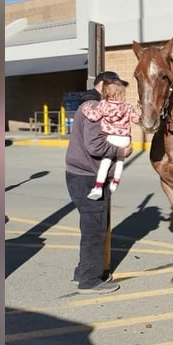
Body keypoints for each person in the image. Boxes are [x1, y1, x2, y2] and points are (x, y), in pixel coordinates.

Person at [65, 79, 133, 294]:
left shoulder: (88, 106)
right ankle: (89, 280)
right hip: (88, 177)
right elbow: (95, 146)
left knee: (90, 227)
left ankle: (83, 271)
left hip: (80, 174)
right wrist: (122, 151)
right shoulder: (96, 111)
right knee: (94, 229)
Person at [81, 79, 141, 198]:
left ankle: (98, 187)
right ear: (121, 94)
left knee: (105, 163)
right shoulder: (127, 106)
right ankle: (115, 182)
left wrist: (86, 109)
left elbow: (94, 116)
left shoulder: (103, 104)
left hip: (111, 138)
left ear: (108, 93)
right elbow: (137, 119)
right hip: (125, 139)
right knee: (120, 161)